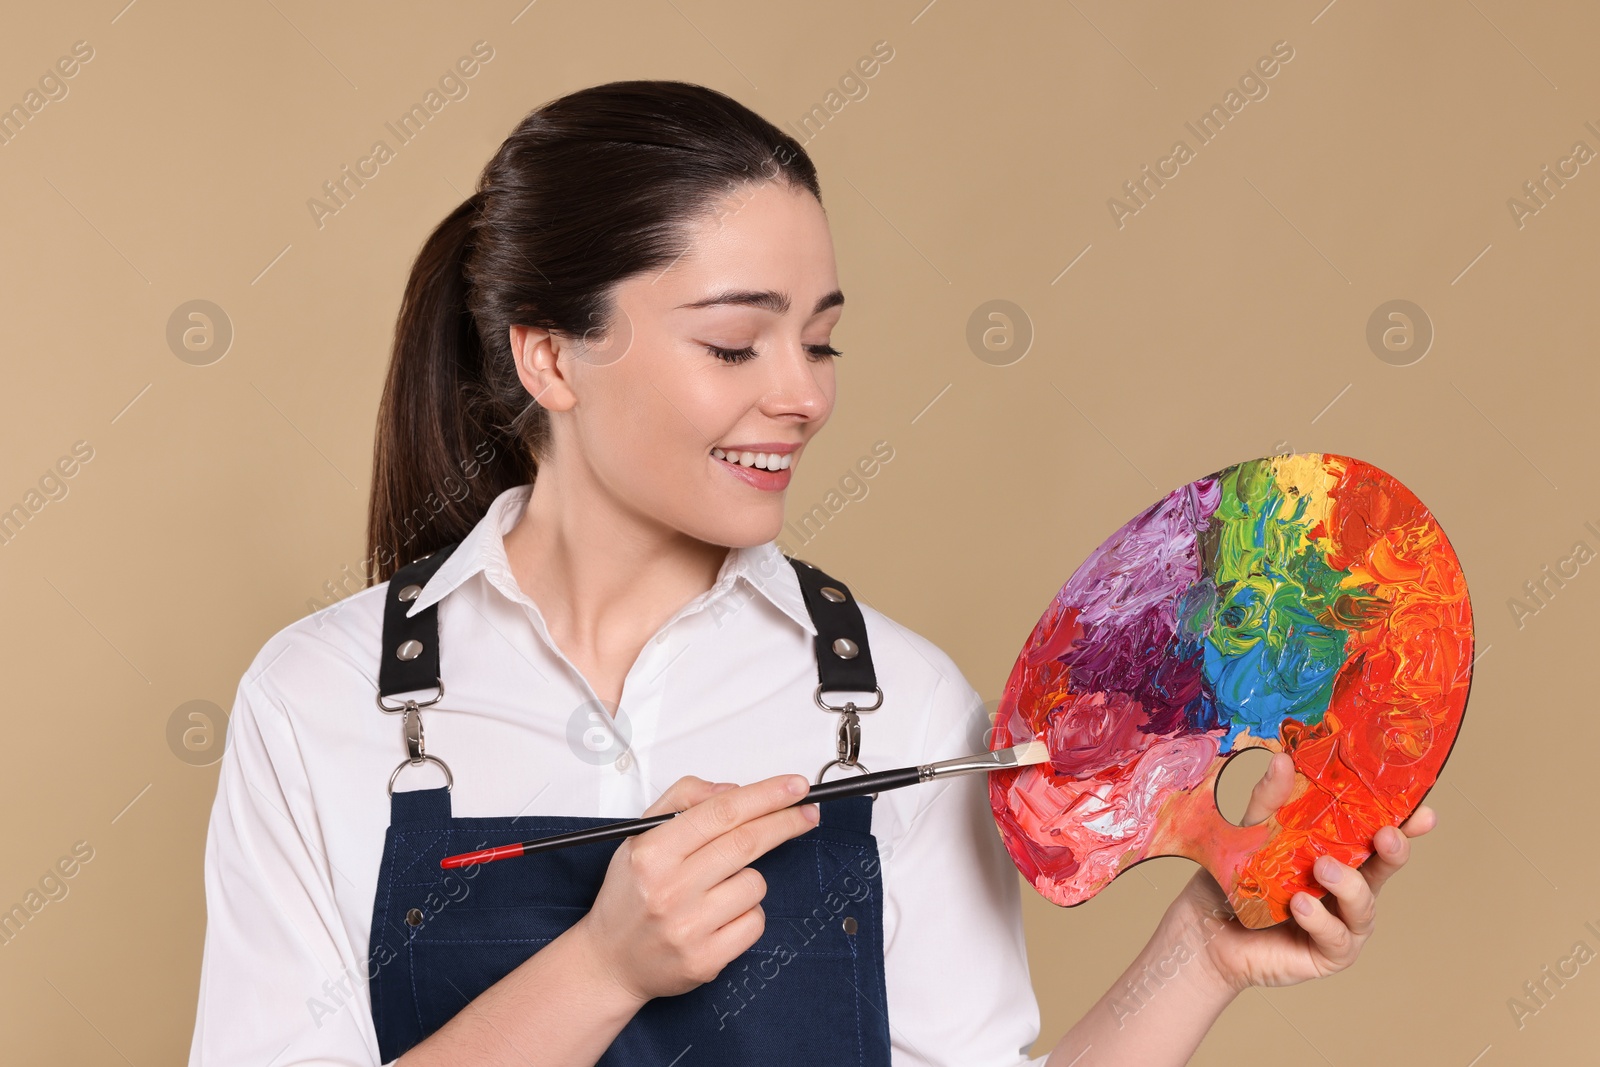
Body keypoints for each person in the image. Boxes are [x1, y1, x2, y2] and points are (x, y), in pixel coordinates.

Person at [186, 80, 1435, 1066]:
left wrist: (1204, 954)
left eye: (821, 337)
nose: (802, 394)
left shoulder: (896, 698)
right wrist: (603, 966)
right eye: (734, 341)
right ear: (551, 359)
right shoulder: (323, 700)